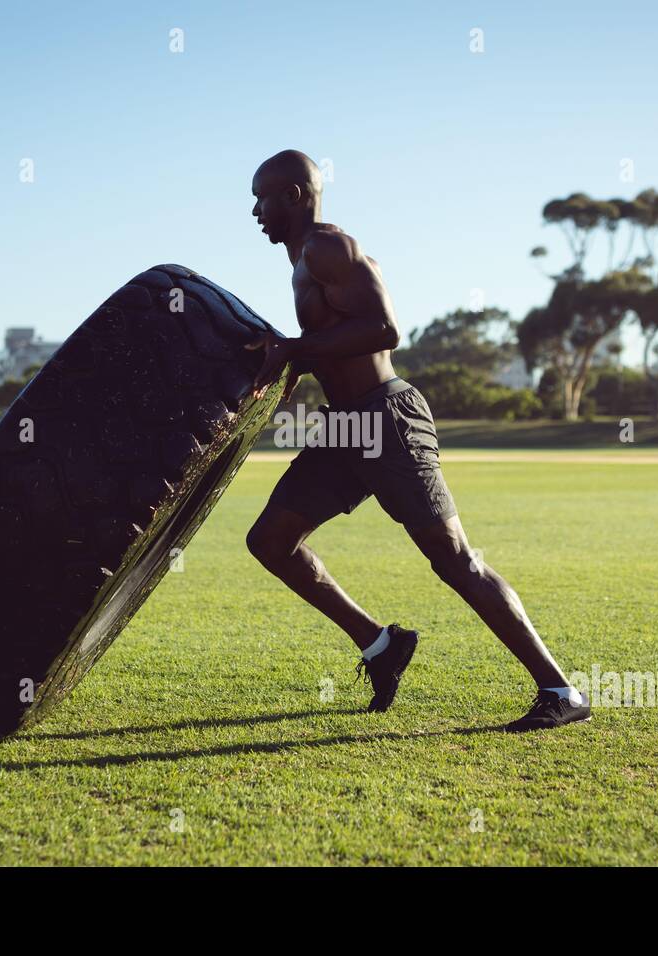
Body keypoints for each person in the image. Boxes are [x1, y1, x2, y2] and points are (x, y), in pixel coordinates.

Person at [243, 150, 589, 731]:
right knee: (271, 541)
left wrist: (297, 350)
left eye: (263, 198)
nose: (255, 211)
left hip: (387, 418)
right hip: (344, 428)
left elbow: (384, 330)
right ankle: (381, 647)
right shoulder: (299, 262)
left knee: (454, 559)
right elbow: (329, 340)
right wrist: (287, 369)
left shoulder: (331, 248)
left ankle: (561, 690)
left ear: (295, 197)